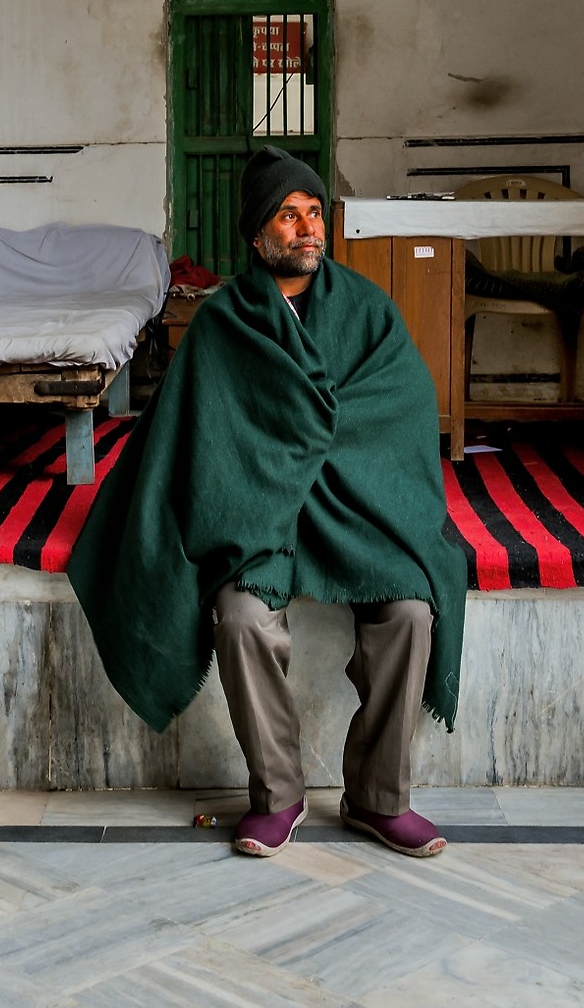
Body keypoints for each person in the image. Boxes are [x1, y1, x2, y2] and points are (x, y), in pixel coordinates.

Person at [66, 147, 467, 858]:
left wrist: (319, 447)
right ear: (257, 235)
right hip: (260, 518)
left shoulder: (368, 310)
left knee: (410, 612)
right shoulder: (223, 324)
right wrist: (266, 474)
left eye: (313, 212)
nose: (308, 227)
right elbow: (196, 436)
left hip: (355, 511)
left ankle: (379, 798)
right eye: (288, 215)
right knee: (240, 618)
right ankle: (278, 794)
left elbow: (398, 414)